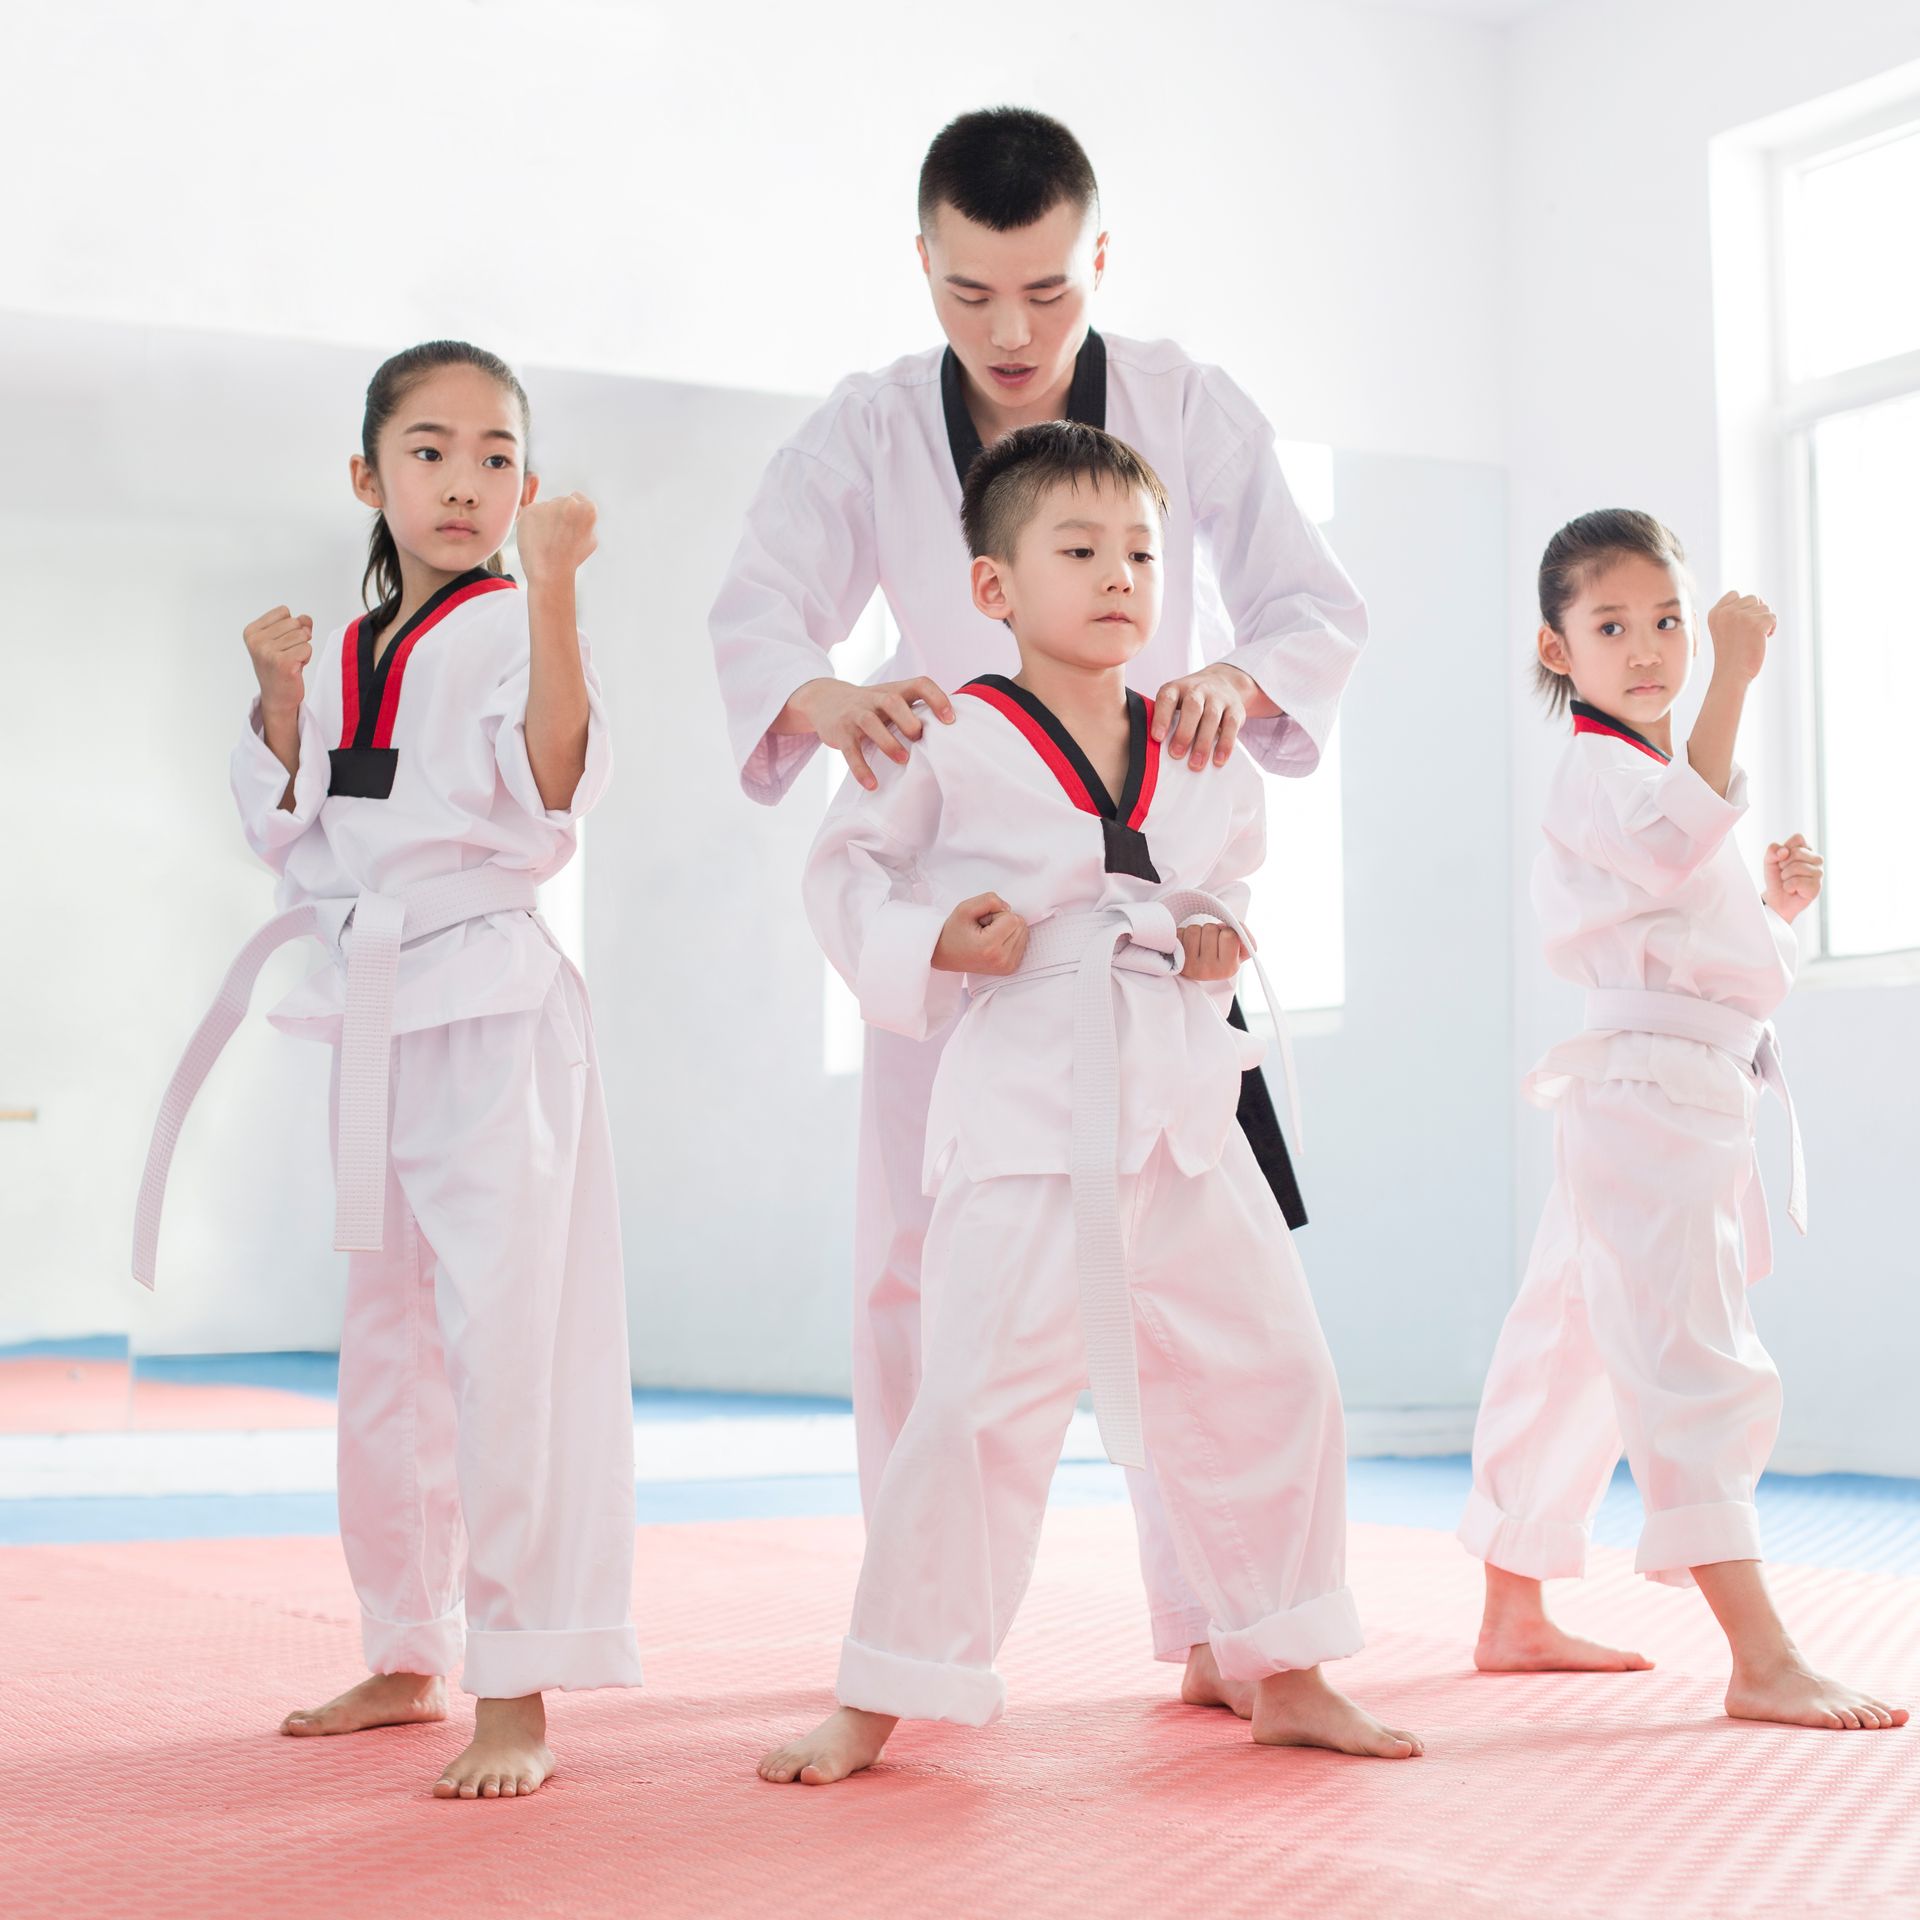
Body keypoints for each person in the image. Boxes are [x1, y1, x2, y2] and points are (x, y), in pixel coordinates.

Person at [711, 106, 1363, 1711]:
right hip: (963, 900)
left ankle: (1233, 1630)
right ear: (923, 265)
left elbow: (1305, 602)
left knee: (1211, 1310)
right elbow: (763, 604)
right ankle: (910, 1651)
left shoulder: (1184, 404)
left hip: (1138, 896)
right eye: (969, 295)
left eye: (1050, 294)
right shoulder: (865, 429)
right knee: (926, 1297)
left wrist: (1236, 671)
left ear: (1099, 261)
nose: (1010, 334)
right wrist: (823, 698)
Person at [760, 423, 1418, 1785]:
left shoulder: (1198, 731)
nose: (1120, 576)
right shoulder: (940, 728)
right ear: (994, 587)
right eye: (1078, 549)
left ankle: (1282, 1664)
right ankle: (883, 1692)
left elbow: (1222, 878)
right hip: (1027, 1113)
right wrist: (947, 938)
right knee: (973, 1407)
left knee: (1275, 1376)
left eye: (1141, 553)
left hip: (1184, 1099)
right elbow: (845, 879)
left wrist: (1213, 934)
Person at [133, 340, 643, 1798]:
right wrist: (276, 698)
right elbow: (290, 836)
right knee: (389, 1348)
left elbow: (554, 783)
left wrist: (556, 589)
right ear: (368, 477)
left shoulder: (516, 621)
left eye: (497, 455)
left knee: (506, 1347)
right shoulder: (350, 649)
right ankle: (407, 1641)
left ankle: (518, 1682)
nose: (466, 480)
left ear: (529, 487)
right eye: (430, 450)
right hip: (370, 1006)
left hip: (489, 1001)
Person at [1459, 508, 1907, 1733]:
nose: (1650, 647)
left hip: (1662, 1086)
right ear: (1559, 652)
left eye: (1667, 620)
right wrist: (1738, 678)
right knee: (1692, 1349)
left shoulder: (1651, 778)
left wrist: (1776, 910)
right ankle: (1760, 1656)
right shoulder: (1607, 773)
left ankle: (1513, 1603)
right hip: (1649, 1095)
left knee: (1569, 1343)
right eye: (1612, 626)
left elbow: (1711, 947)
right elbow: (1666, 851)